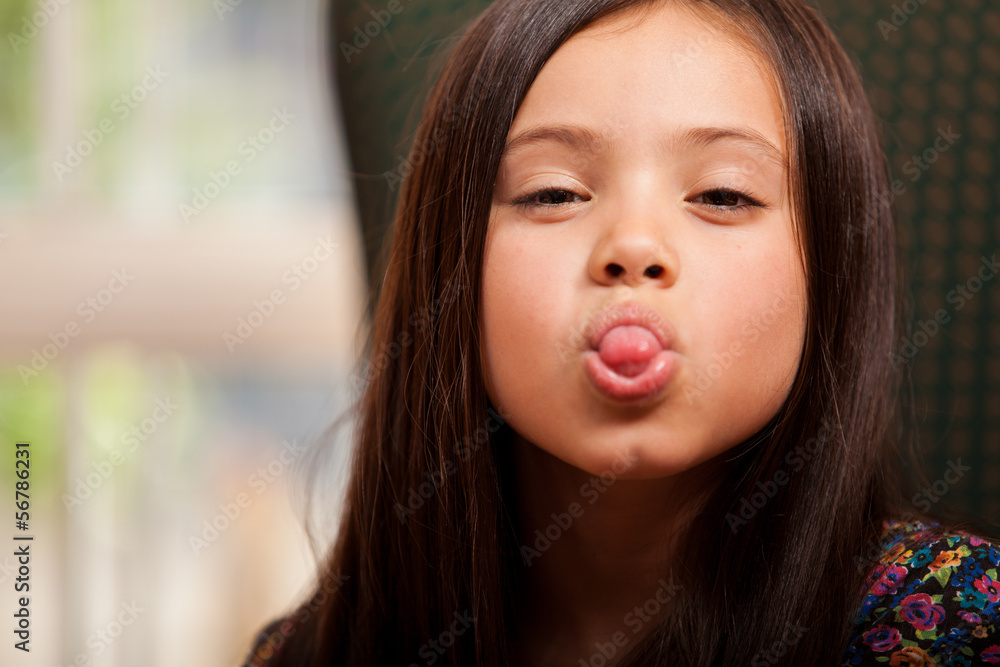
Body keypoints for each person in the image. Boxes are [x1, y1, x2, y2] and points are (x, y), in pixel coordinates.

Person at [242, 0, 1000, 665]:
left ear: (830, 271)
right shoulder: (307, 652)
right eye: (554, 193)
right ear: (452, 274)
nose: (633, 245)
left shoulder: (958, 627)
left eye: (723, 194)